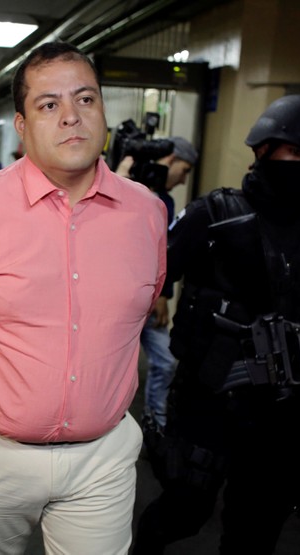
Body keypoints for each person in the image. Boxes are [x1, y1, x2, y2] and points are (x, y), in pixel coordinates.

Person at [0, 41, 167, 555]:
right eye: (49, 104)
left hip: (104, 456)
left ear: (103, 111)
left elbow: (141, 310)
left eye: (86, 100)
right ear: (22, 124)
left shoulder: (147, 213)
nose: (71, 117)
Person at [132, 95, 300, 555]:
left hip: (281, 416)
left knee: (254, 536)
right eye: (297, 152)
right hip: (207, 403)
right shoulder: (210, 216)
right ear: (263, 149)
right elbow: (139, 287)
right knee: (182, 512)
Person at [117, 137, 199, 429]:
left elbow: (163, 252)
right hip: (116, 299)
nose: (182, 179)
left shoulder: (165, 201)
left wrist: (163, 294)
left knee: (165, 360)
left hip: (150, 299)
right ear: (171, 160)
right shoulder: (118, 187)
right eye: (184, 169)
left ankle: (156, 424)